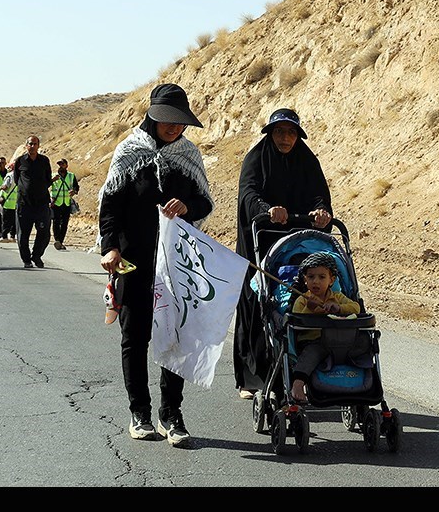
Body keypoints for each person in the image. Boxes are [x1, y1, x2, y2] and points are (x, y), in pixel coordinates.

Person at [98, 83, 213, 448]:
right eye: (168, 120)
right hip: (134, 260)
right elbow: (110, 207)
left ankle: (172, 413)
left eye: (181, 123)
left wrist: (188, 208)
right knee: (136, 337)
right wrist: (111, 247)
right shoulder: (129, 152)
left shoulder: (188, 155)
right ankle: (140, 412)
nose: (175, 128)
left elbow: (204, 202)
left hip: (176, 263)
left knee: (174, 336)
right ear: (153, 114)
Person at [234, 108, 333, 400]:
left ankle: (299, 374)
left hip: (298, 246)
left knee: (299, 303)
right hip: (262, 240)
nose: (285, 138)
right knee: (257, 304)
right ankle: (251, 379)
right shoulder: (256, 159)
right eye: (279, 132)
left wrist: (321, 211)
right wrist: (267, 210)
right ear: (270, 133)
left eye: (291, 133)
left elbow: (319, 193)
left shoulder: (307, 160)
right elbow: (248, 194)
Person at [289, 252, 362, 403]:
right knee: (313, 352)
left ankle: (362, 386)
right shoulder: (303, 299)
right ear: (305, 279)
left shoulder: (337, 297)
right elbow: (297, 319)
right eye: (311, 277)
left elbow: (355, 308)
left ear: (331, 280)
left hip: (337, 341)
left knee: (363, 344)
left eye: (321, 277)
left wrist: (339, 308)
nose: (316, 281)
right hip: (312, 341)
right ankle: (298, 383)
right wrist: (309, 308)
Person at [13, 136, 52, 268]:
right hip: (24, 204)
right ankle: (26, 260)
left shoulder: (44, 161)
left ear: (38, 145)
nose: (33, 146)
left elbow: (48, 179)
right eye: (30, 144)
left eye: (35, 144)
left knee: (44, 233)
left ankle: (36, 256)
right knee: (23, 234)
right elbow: (16, 179)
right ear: (26, 145)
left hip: (41, 204)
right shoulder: (20, 161)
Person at [50, 158, 80, 250]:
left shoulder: (71, 176)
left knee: (64, 223)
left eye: (62, 164)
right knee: (56, 222)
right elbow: (46, 185)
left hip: (66, 203)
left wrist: (73, 191)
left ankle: (60, 241)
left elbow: (76, 187)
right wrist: (52, 180)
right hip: (56, 203)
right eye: (59, 164)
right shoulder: (53, 176)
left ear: (66, 166)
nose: (60, 166)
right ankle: (57, 240)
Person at [0, 162, 17, 242]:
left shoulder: (10, 176)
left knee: (6, 221)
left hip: (8, 202)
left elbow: (5, 186)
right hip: (16, 202)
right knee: (14, 221)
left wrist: (0, 187)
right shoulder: (20, 176)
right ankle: (12, 236)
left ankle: (4, 236)